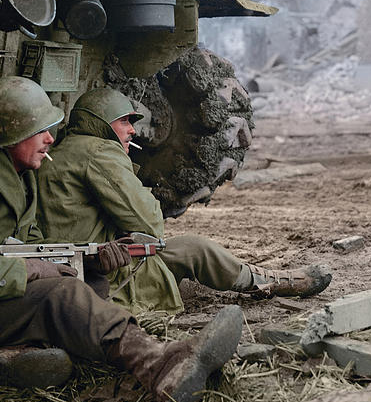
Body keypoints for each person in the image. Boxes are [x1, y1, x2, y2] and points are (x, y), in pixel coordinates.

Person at [0, 76, 242, 402]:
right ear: (11, 134)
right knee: (61, 294)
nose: (50, 138)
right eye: (40, 130)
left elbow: (28, 244)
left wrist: (85, 260)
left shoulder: (19, 179)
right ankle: (158, 366)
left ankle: (20, 361)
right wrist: (29, 271)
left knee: (85, 281)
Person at [36, 87, 332, 315]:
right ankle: (271, 282)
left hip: (81, 268)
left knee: (191, 249)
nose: (132, 130)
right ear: (100, 123)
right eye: (124, 121)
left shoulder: (67, 150)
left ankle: (263, 280)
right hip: (105, 275)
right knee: (196, 251)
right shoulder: (100, 152)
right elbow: (150, 225)